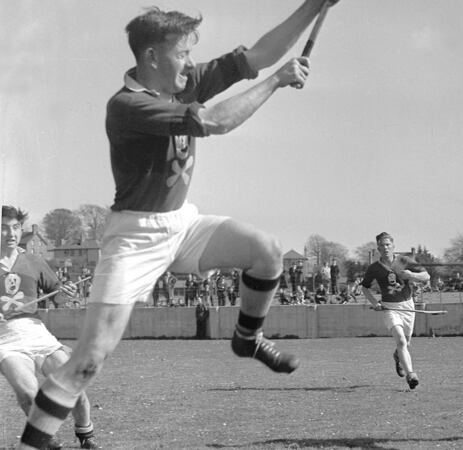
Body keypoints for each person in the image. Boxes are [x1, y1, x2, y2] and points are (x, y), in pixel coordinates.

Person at [18, 3, 336, 448]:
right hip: (134, 237)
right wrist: (278, 82)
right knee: (87, 362)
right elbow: (217, 121)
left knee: (265, 249)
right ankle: (31, 444)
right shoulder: (128, 106)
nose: (189, 63)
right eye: (182, 53)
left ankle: (247, 338)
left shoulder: (184, 82)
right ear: (151, 57)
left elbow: (261, 54)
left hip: (181, 224)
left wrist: (313, 6)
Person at [1, 206, 101, 450]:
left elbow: (58, 296)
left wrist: (69, 291)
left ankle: (85, 435)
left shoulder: (33, 260)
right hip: (5, 339)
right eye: (4, 228)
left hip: (36, 332)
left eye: (15, 227)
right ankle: (49, 441)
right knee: (29, 394)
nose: (11, 233)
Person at [361, 232, 430, 390]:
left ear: (393, 246)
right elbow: (364, 287)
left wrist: (412, 275)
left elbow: (426, 276)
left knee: (407, 343)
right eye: (382, 245)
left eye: (388, 244)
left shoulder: (404, 261)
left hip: (407, 306)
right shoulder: (374, 268)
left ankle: (397, 357)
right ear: (378, 248)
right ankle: (411, 375)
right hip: (390, 308)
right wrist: (375, 303)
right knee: (400, 340)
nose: (385, 248)